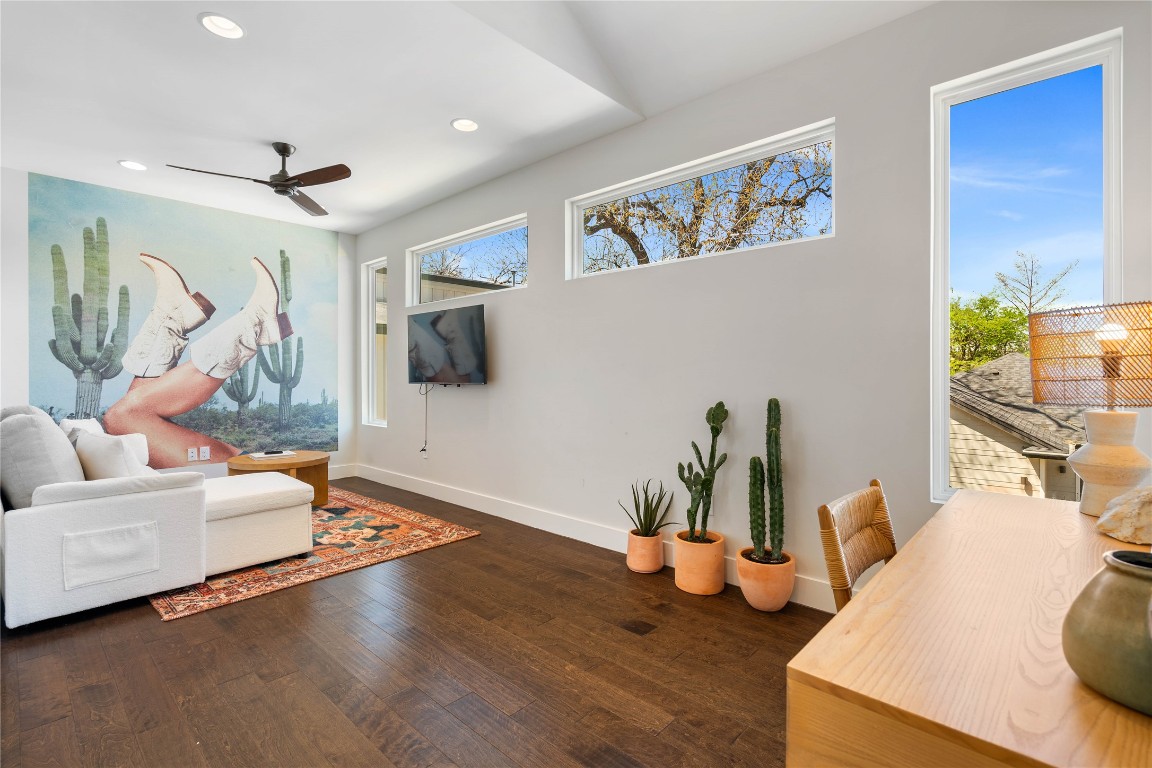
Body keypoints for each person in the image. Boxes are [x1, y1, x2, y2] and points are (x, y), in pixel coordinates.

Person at [103, 253, 291, 467]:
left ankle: (179, 316)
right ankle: (253, 322)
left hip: (240, 472)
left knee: (124, 416)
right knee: (126, 415)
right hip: (245, 469)